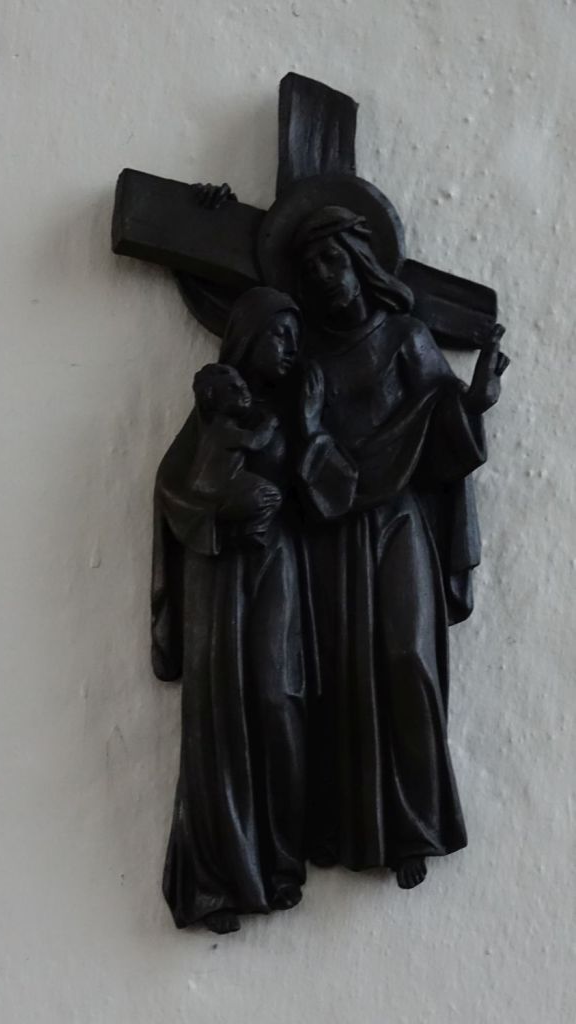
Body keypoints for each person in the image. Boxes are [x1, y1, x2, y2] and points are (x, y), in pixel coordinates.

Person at [293, 206, 507, 888]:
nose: (324, 277)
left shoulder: (405, 337)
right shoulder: (313, 362)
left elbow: (441, 423)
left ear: (362, 262)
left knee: (408, 658)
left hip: (399, 523)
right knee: (341, 673)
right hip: (336, 534)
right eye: (311, 269)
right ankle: (345, 824)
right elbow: (305, 448)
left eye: (332, 260)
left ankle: (416, 824)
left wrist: (475, 402)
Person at [152, 288, 307, 933]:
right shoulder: (212, 417)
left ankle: (282, 858)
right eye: (279, 336)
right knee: (216, 711)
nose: (290, 350)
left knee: (276, 697)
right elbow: (173, 491)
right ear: (246, 338)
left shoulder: (296, 407)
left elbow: (321, 487)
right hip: (218, 573)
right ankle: (218, 880)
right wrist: (223, 513)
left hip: (274, 568)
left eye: (296, 338)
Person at [189, 362, 282, 547]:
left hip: (218, 482)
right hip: (216, 485)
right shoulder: (223, 429)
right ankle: (250, 530)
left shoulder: (215, 429)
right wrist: (270, 423)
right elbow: (256, 442)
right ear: (211, 397)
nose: (243, 391)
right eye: (232, 389)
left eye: (243, 386)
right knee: (270, 495)